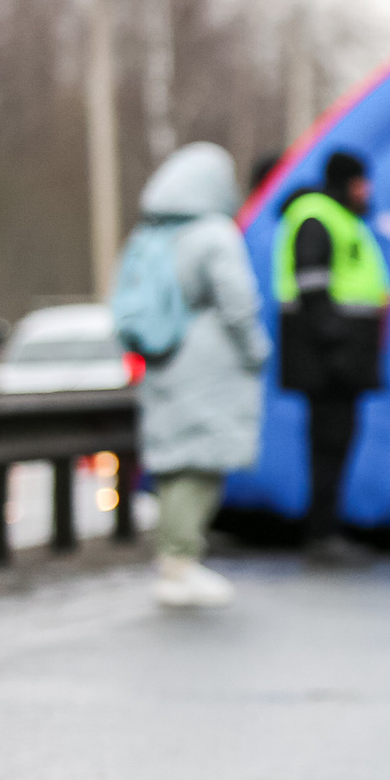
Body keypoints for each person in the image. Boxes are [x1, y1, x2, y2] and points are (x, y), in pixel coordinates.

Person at [116, 143, 270, 609]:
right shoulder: (214, 234)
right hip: (210, 362)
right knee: (202, 463)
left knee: (172, 461)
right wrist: (256, 350)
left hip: (164, 359)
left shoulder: (149, 236)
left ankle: (174, 555)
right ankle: (182, 561)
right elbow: (237, 301)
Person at [274, 149, 389, 565]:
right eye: (361, 182)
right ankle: (322, 533)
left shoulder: (336, 218)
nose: (367, 191)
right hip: (329, 364)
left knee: (334, 447)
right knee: (328, 446)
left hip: (337, 363)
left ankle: (326, 529)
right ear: (346, 183)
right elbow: (313, 287)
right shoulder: (318, 218)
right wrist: (338, 344)